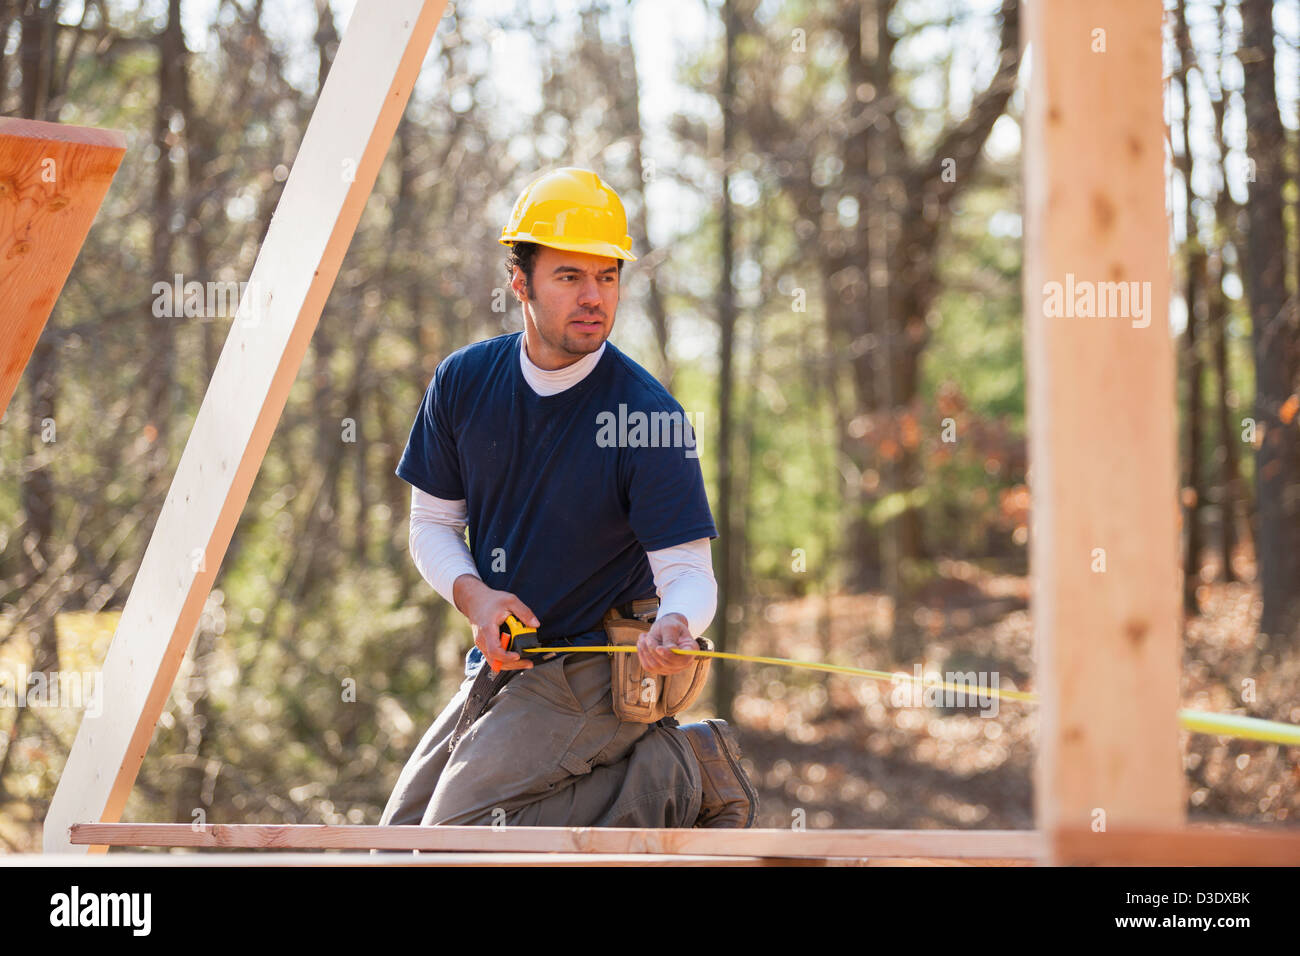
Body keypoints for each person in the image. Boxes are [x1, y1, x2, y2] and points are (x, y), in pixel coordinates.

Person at [379, 167, 759, 829]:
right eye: (569, 277)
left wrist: (678, 621)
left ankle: (681, 774)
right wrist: (477, 596)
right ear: (518, 281)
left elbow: (689, 572)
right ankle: (673, 771)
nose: (594, 297)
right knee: (392, 846)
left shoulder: (648, 416)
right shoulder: (463, 383)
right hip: (511, 661)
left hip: (603, 663)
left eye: (607, 277)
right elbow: (432, 523)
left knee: (457, 841)